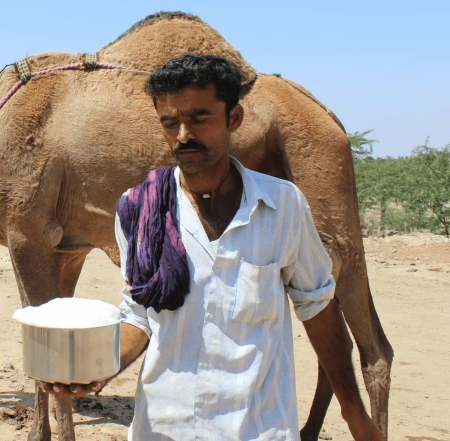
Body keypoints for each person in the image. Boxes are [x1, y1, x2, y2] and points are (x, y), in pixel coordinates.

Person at [43, 55, 383, 441]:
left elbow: (318, 310)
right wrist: (100, 367)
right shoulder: (139, 209)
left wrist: (354, 413)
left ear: (233, 119)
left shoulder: (282, 206)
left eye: (199, 118)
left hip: (259, 427)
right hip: (164, 428)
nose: (184, 134)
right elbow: (140, 313)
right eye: (170, 123)